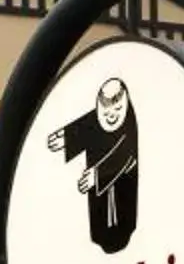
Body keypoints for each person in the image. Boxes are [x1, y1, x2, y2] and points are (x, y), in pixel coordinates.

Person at [45, 76, 140, 254]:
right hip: (96, 178)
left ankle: (120, 238)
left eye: (117, 109)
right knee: (99, 216)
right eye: (105, 111)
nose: (111, 116)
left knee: (120, 213)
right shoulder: (97, 118)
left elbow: (125, 153)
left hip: (122, 182)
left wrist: (97, 175)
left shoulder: (130, 123)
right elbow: (88, 122)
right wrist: (68, 136)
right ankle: (101, 237)